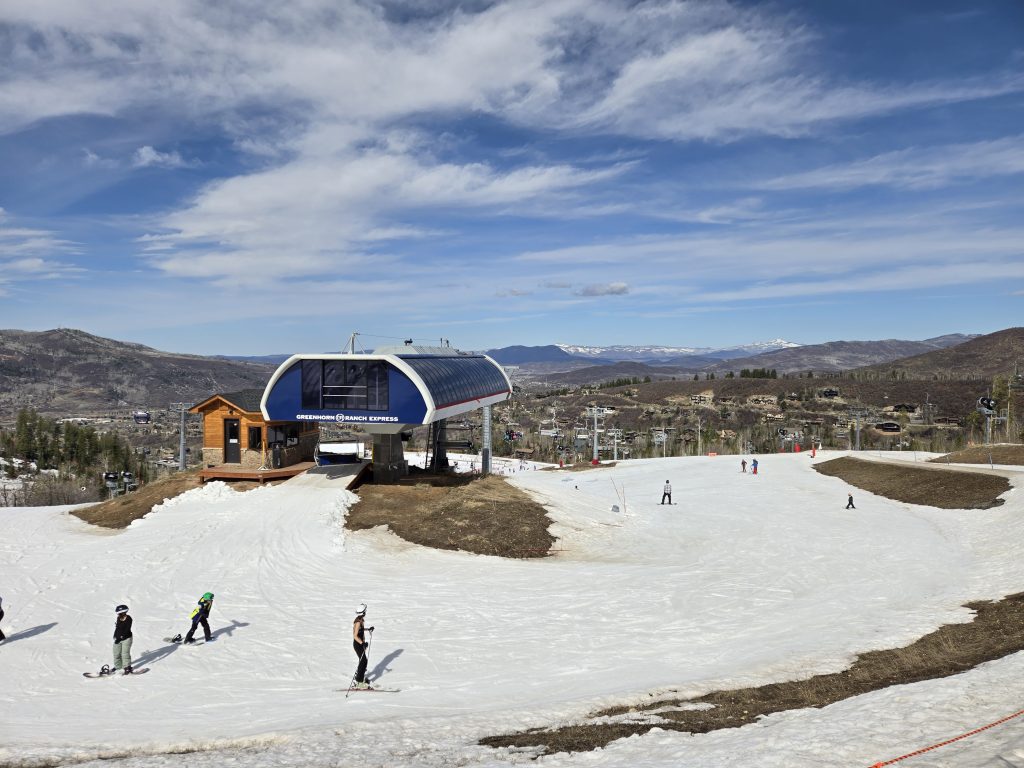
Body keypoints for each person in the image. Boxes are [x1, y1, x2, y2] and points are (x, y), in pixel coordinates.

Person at [352, 603, 375, 689]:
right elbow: (355, 635)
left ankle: (359, 677)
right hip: (358, 644)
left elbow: (360, 630)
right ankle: (359, 682)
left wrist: (368, 629)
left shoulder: (360, 619)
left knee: (363, 661)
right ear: (363, 612)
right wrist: (362, 643)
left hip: (360, 643)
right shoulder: (358, 622)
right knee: (363, 661)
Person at [113, 604, 134, 674]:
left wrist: (121, 637)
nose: (118, 614)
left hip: (127, 638)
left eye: (119, 613)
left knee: (125, 653)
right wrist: (115, 635)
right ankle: (118, 666)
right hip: (118, 638)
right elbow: (117, 628)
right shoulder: (118, 618)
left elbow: (127, 630)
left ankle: (127, 667)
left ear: (123, 612)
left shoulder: (129, 618)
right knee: (116, 653)